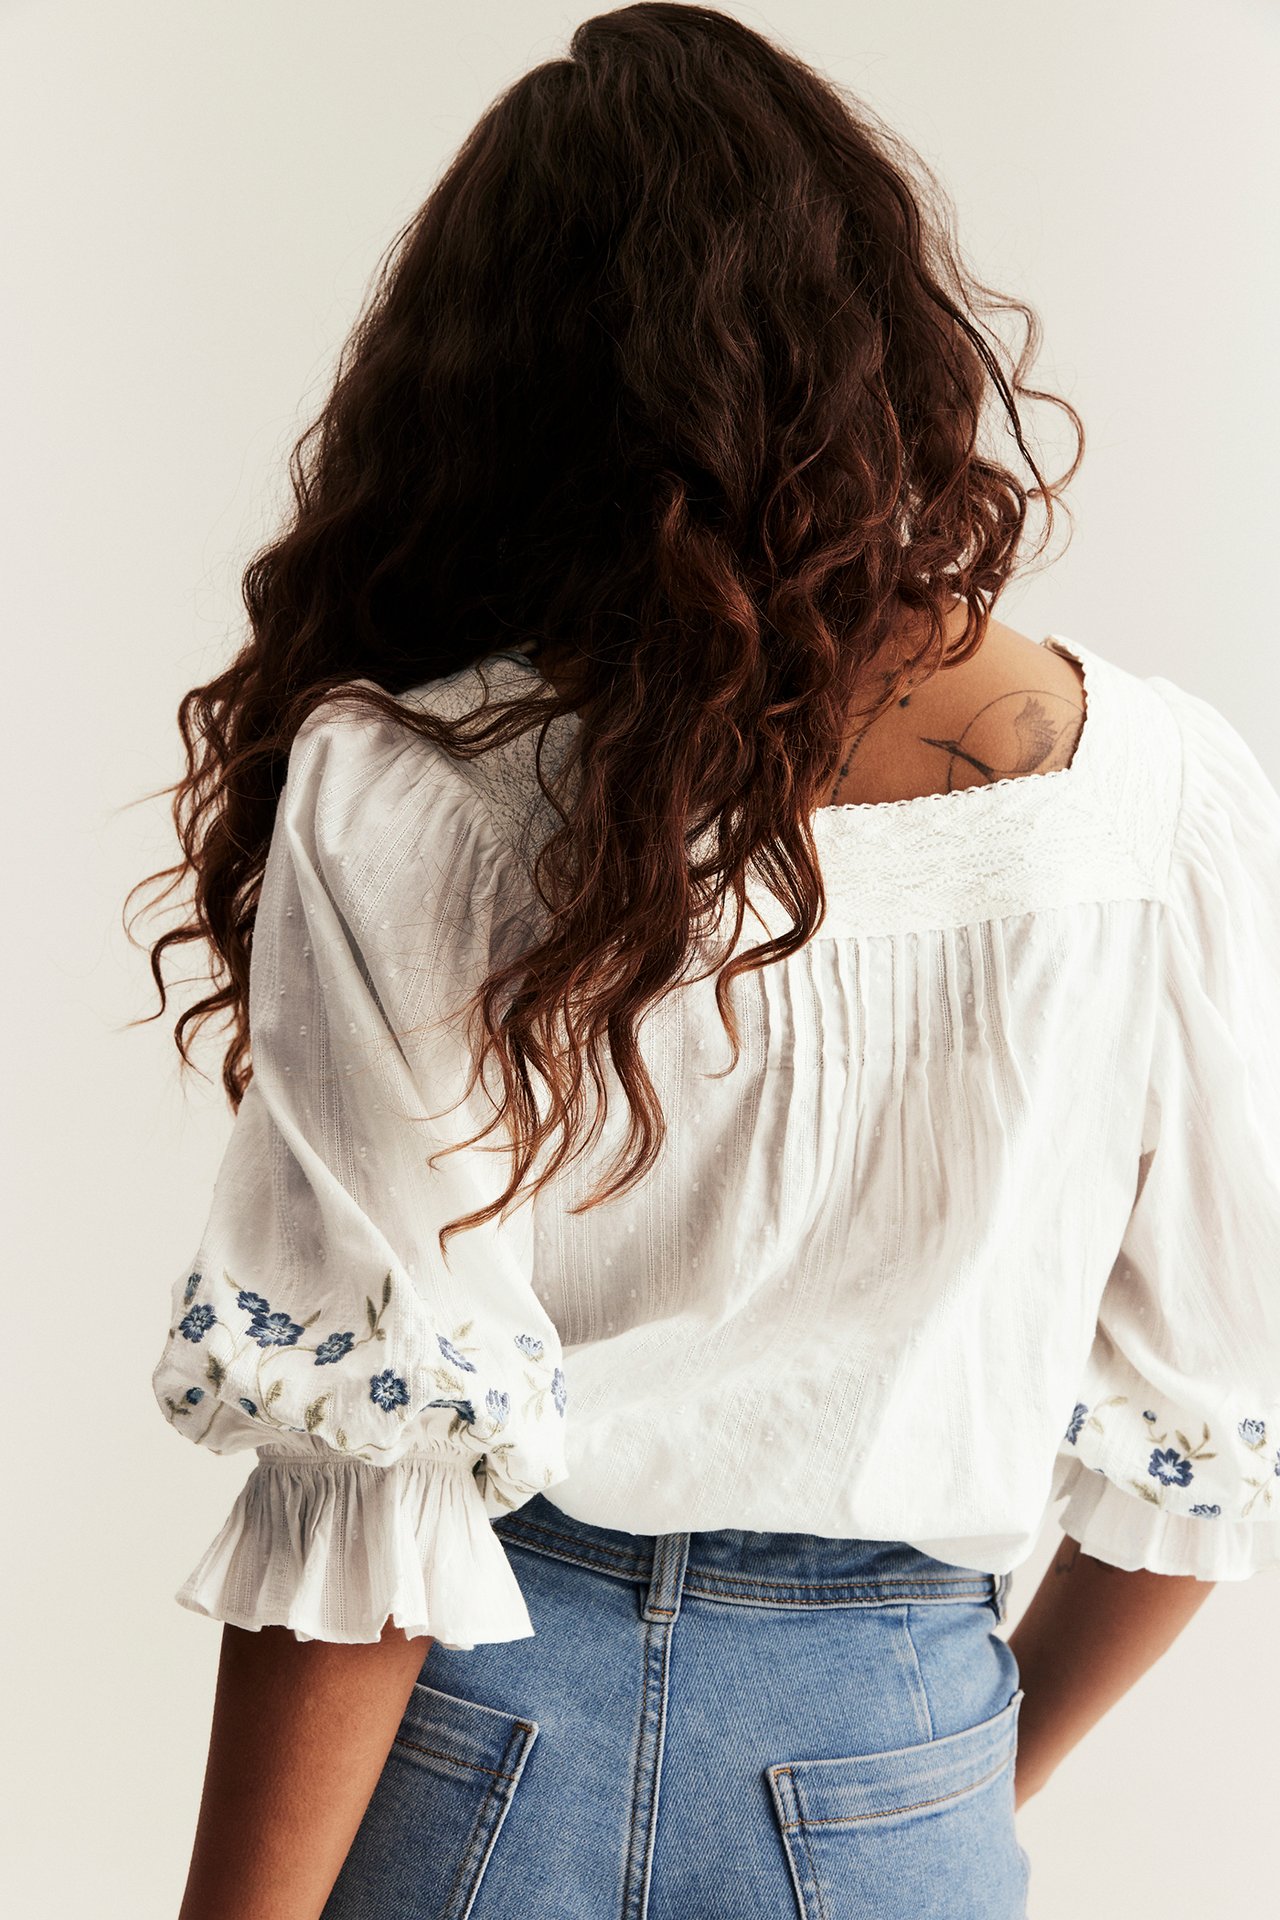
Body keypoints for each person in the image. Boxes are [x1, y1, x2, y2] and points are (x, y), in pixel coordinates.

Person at [131, 7, 1280, 1917]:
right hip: (895, 1730)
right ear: (880, 347)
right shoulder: (1155, 799)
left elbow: (374, 1481)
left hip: (476, 1720)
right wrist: (936, 1786)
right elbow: (1202, 1449)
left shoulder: (406, 789)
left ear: (483, 397)